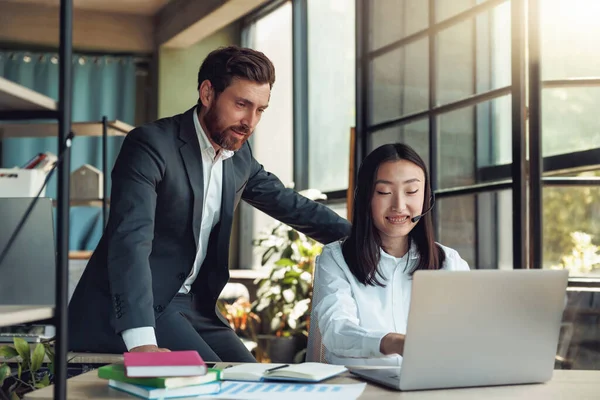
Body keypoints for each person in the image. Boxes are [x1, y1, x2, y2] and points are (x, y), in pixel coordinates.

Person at [68, 46, 351, 362]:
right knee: (220, 385)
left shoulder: (238, 156)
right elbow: (129, 241)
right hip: (142, 306)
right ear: (207, 93)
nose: (250, 121)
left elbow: (291, 204)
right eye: (241, 104)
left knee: (252, 377)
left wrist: (367, 239)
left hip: (194, 307)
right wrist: (140, 340)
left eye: (260, 110)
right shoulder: (150, 145)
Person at [312, 143, 469, 366]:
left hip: (428, 385)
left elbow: (470, 331)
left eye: (412, 191)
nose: (399, 205)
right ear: (365, 197)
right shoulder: (337, 259)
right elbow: (337, 331)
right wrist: (393, 343)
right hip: (359, 388)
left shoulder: (449, 262)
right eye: (384, 192)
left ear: (426, 196)